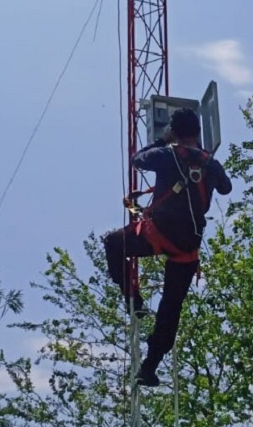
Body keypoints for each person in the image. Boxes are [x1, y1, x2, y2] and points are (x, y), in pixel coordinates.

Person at [102, 107, 232, 387]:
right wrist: (204, 163)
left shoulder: (166, 154)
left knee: (113, 243)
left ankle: (133, 298)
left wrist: (162, 140)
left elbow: (138, 160)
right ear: (198, 132)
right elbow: (226, 188)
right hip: (187, 247)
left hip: (158, 234)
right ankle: (149, 368)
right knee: (170, 309)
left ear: (174, 131)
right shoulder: (210, 163)